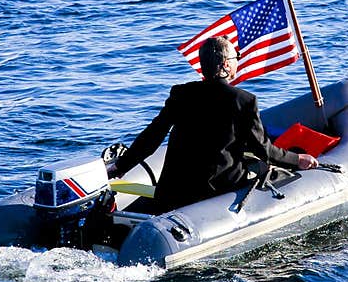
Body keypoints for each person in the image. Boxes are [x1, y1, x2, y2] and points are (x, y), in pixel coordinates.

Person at [106, 36, 319, 215]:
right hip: (215, 192)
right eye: (236, 58)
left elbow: (152, 135)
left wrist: (121, 166)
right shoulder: (243, 100)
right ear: (226, 64)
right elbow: (263, 150)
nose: (238, 62)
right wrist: (297, 159)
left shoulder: (181, 94)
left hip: (174, 190)